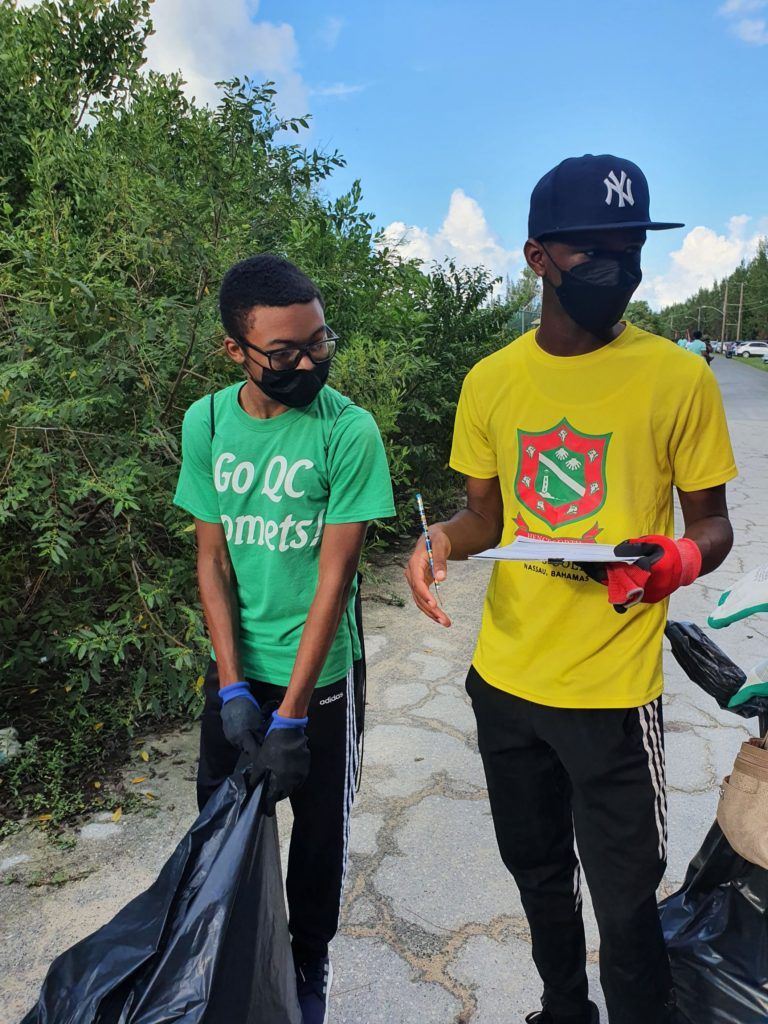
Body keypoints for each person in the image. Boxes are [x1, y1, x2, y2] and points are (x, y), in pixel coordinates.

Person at [405, 154, 737, 1024]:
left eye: (629, 249)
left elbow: (713, 526)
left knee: (627, 903)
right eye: (591, 251)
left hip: (612, 694)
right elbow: (486, 516)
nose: (616, 269)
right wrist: (437, 540)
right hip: (507, 682)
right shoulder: (490, 380)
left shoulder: (678, 378)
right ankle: (562, 1009)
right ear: (536, 257)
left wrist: (676, 563)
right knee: (540, 874)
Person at [173, 254, 395, 1024]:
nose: (308, 363)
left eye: (319, 342)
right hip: (238, 672)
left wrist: (294, 713)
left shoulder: (349, 430)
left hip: (321, 680)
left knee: (316, 840)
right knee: (224, 822)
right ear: (236, 349)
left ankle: (308, 964)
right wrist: (232, 687)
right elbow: (212, 562)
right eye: (285, 353)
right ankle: (226, 958)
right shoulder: (205, 423)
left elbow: (335, 581)